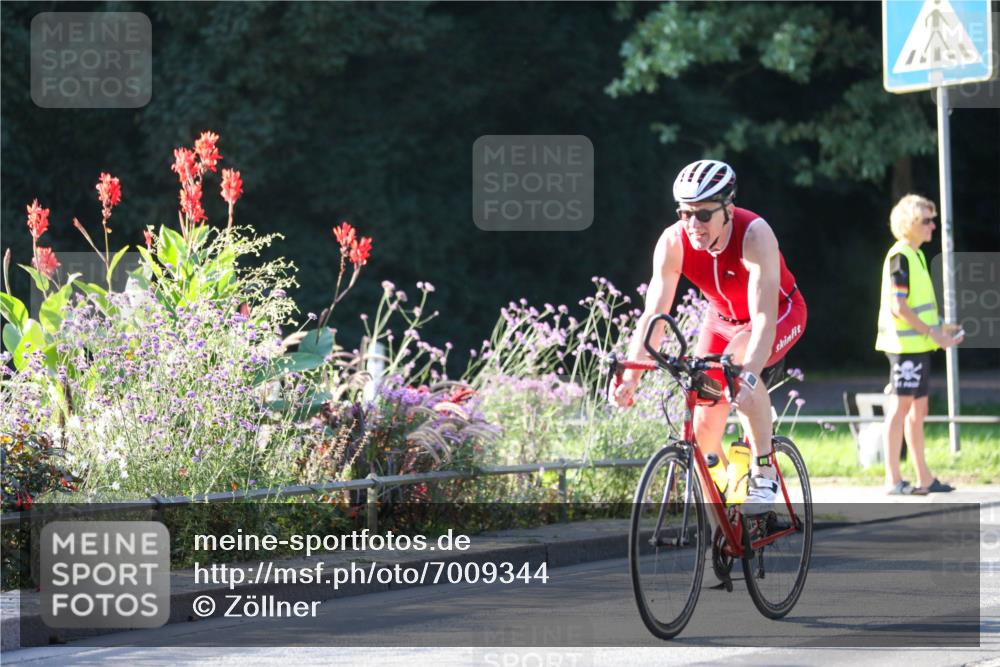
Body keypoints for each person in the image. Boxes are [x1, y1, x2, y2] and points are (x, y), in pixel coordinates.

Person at [610, 159, 807, 515]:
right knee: (703, 423)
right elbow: (654, 316)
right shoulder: (673, 242)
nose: (693, 224)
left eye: (703, 215)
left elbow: (762, 319)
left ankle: (764, 472)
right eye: (685, 213)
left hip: (778, 313)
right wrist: (632, 374)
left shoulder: (754, 235)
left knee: (737, 369)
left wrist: (748, 377)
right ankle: (723, 516)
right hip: (721, 321)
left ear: (728, 209)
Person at [876, 194, 961, 496]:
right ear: (910, 224)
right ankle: (893, 479)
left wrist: (940, 327)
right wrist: (934, 333)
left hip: (918, 346)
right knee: (900, 409)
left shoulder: (916, 255)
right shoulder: (901, 256)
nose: (933, 226)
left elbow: (915, 304)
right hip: (904, 348)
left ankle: (924, 478)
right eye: (927, 220)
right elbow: (900, 307)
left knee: (918, 410)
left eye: (933, 219)